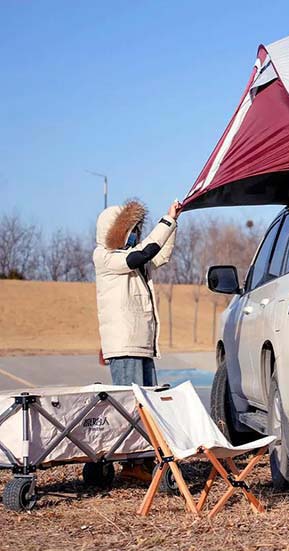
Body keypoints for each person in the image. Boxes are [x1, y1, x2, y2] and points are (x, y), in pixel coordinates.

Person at [93, 199, 180, 481]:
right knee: (132, 404)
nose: (133, 234)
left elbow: (160, 255)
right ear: (113, 231)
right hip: (126, 342)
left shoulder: (135, 258)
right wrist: (165, 223)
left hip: (141, 342)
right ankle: (132, 464)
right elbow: (143, 254)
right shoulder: (106, 257)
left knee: (146, 403)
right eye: (129, 229)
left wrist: (173, 221)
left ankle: (141, 459)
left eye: (136, 229)